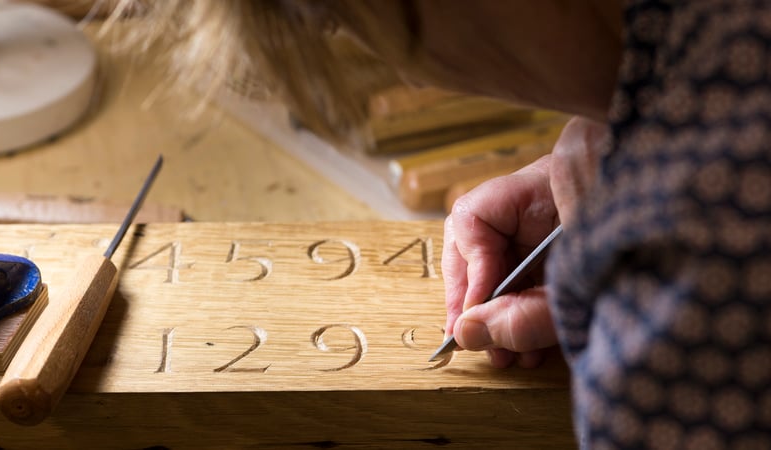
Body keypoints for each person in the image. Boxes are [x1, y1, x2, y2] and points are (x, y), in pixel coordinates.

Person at [116, 1, 771, 448]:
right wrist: (627, 135)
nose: (403, 71)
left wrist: (635, 252)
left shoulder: (695, 258)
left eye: (349, 19)